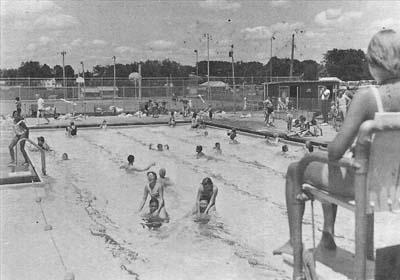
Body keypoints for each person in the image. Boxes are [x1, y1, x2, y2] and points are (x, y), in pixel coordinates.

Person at [273, 29, 400, 279]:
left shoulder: (368, 97)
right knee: (343, 168)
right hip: (392, 186)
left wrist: (329, 149)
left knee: (297, 169)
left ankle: (295, 247)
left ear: (374, 63)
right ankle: (330, 239)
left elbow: (335, 152)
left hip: (361, 184)